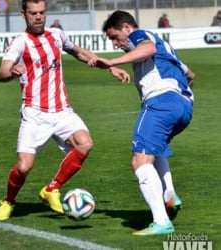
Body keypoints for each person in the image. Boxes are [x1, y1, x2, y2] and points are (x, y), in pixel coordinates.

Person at [0, 0, 130, 221]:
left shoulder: (56, 35)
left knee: (85, 143)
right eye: (33, 13)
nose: (38, 17)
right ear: (23, 14)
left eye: (42, 12)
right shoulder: (19, 43)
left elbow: (78, 52)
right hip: (34, 113)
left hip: (62, 110)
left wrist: (110, 67)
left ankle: (51, 189)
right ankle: (8, 201)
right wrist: (13, 72)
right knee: (24, 167)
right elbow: (1, 74)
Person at [89, 10, 195, 236]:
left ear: (127, 27)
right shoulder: (167, 47)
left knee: (140, 160)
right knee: (156, 150)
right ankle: (169, 196)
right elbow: (191, 76)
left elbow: (148, 48)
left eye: (115, 37)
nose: (115, 43)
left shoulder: (140, 35)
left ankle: (161, 221)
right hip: (184, 106)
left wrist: (112, 61)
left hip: (161, 101)